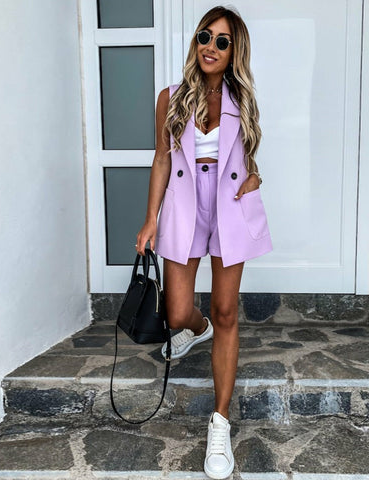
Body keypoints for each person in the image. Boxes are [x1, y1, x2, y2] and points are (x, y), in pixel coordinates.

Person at [136, 5, 272, 479]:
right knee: (177, 313)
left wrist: (255, 177)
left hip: (229, 204)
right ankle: (198, 330)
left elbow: (248, 157)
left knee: (227, 309)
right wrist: (150, 220)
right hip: (185, 203)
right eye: (204, 36)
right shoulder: (171, 98)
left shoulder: (243, 99)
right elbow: (161, 158)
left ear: (235, 52)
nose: (211, 47)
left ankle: (220, 422)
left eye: (222, 41)